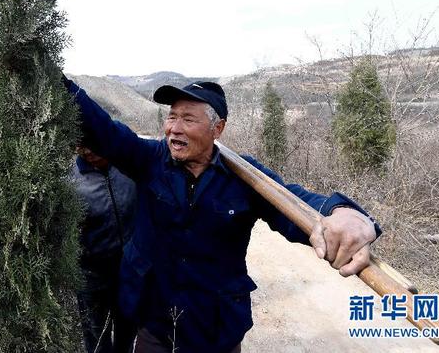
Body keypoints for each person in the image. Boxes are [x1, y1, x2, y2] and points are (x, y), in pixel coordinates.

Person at [63, 76, 381, 353]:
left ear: (218, 128)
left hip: (215, 332)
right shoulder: (148, 160)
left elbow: (296, 204)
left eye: (188, 119)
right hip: (155, 326)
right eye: (171, 117)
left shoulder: (244, 177)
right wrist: (50, 73)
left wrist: (345, 213)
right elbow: (99, 127)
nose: (174, 128)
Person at [72, 145, 137, 353]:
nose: (86, 149)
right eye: (80, 143)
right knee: (97, 344)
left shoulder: (129, 167)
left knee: (126, 339)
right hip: (92, 278)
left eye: (92, 141)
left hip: (130, 274)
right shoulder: (69, 180)